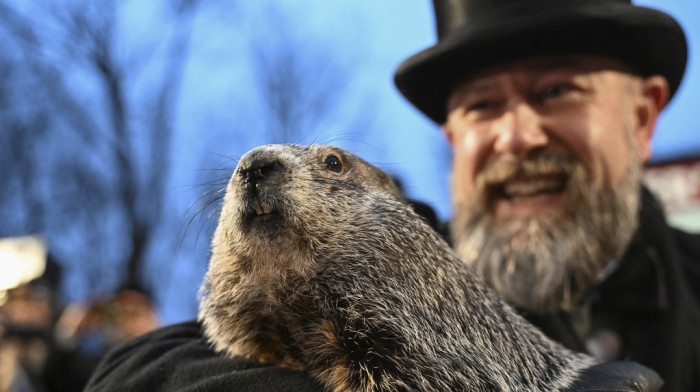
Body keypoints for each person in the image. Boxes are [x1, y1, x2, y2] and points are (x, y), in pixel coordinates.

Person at [84, 1, 699, 391]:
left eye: (558, 90)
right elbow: (136, 370)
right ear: (452, 136)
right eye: (483, 105)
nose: (516, 136)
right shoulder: (393, 246)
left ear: (643, 118)